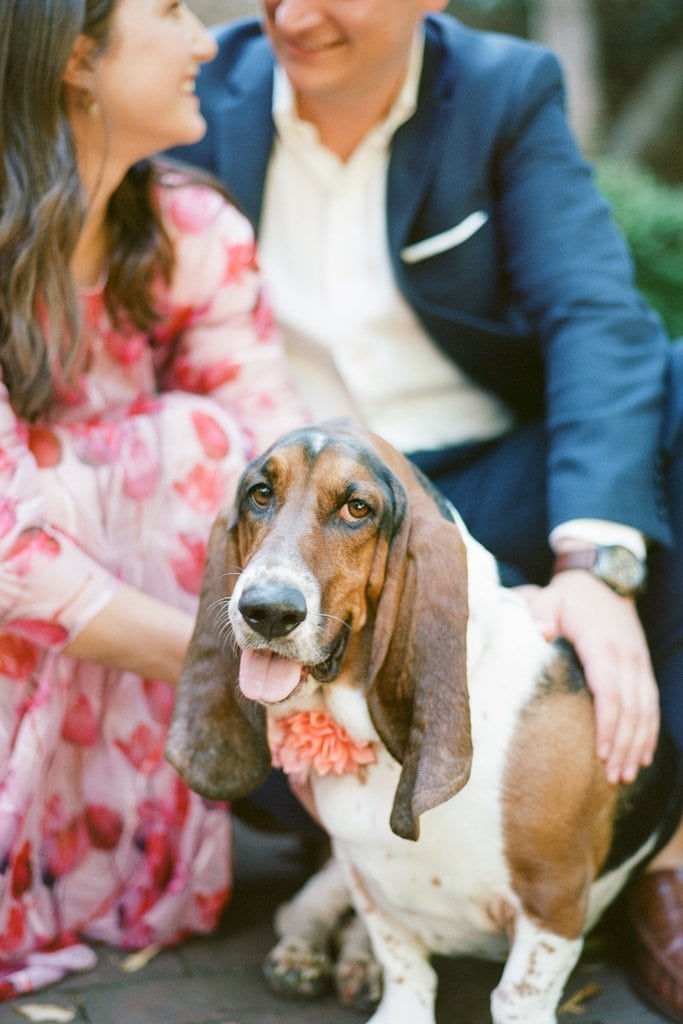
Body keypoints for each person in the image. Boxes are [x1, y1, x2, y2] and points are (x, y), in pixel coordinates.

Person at [169, 1, 683, 1020]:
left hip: (490, 482)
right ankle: (366, 861)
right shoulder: (196, 91)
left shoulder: (500, 89)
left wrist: (595, 567)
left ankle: (654, 844)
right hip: (275, 506)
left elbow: (594, 315)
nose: (295, 13)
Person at [0, 0, 306, 1000]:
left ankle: (102, 854)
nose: (209, 43)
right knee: (115, 471)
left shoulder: (192, 227)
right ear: (77, 57)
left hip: (129, 644)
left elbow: (277, 459)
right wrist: (233, 669)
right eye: (172, 11)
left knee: (214, 452)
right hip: (57, 620)